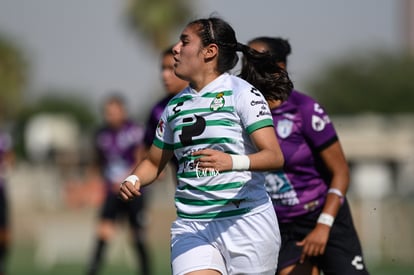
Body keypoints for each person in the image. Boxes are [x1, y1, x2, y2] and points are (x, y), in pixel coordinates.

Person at [119, 17, 293, 275]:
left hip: (247, 222)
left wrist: (231, 162)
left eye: (185, 41)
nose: (176, 48)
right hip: (193, 226)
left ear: (210, 52)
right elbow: (154, 162)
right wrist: (134, 178)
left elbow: (274, 156)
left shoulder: (242, 93)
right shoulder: (174, 106)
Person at [242, 37, 369, 275]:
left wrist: (324, 225)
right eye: (244, 62)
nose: (247, 69)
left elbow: (341, 172)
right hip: (281, 226)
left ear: (279, 68)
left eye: (255, 62)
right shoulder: (242, 111)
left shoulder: (305, 110)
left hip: (323, 217)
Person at [86, 95, 151, 275]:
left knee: (138, 236)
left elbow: (142, 160)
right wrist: (94, 186)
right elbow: (98, 163)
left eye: (114, 112)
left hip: (133, 191)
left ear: (123, 112)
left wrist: (125, 179)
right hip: (112, 192)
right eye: (107, 113)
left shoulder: (135, 131)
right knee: (103, 232)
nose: (111, 116)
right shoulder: (101, 134)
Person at [144, 46, 188, 175]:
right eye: (163, 69)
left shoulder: (206, 100)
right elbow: (146, 148)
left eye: (171, 68)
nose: (164, 75)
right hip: (181, 186)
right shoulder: (159, 109)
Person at [0, 128, 13, 275]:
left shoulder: (3, 138)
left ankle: (2, 263)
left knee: (4, 232)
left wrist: (6, 166)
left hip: (1, 192)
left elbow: (10, 158)